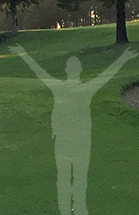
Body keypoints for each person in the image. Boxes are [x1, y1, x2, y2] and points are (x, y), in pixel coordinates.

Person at [9, 44, 136, 215]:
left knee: (64, 179)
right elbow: (107, 74)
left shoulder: (59, 87)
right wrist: (123, 58)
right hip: (81, 142)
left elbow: (39, 71)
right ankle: (79, 210)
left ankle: (66, 210)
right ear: (79, 70)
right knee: (79, 179)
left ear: (67, 70)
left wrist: (24, 54)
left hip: (64, 141)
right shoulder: (87, 88)